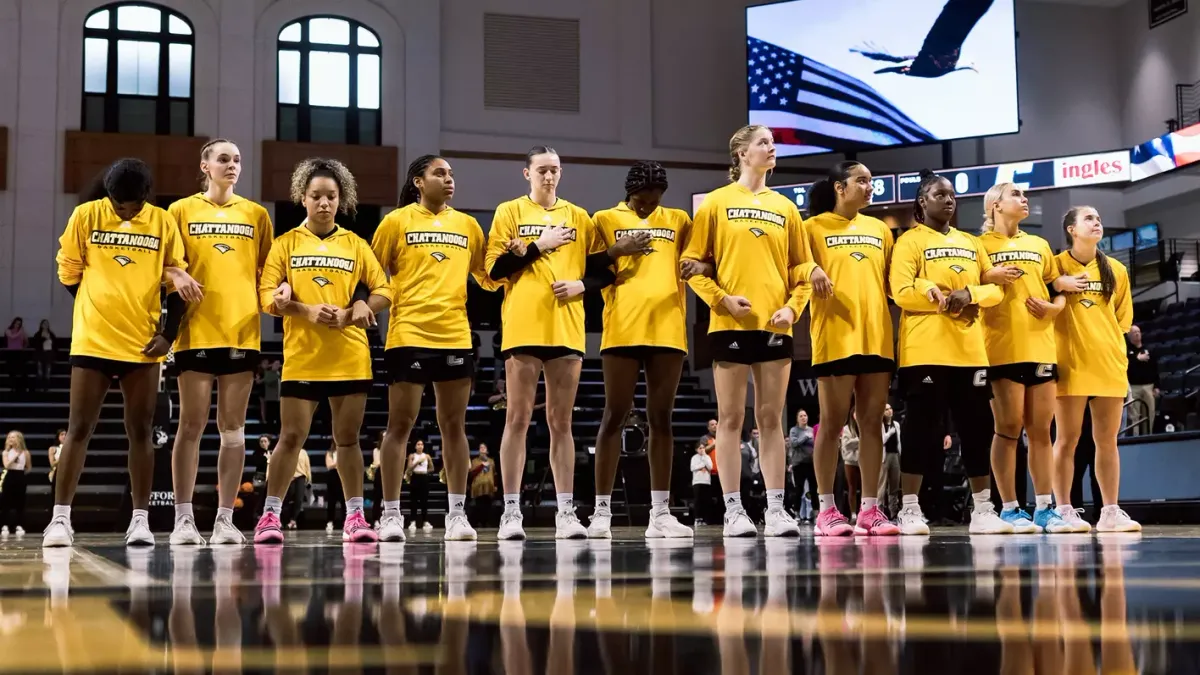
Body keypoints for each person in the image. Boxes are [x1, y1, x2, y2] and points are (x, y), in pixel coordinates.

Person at [45, 158, 200, 547]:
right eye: (118, 205)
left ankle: (140, 521)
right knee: (78, 428)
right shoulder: (86, 216)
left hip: (142, 345)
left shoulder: (163, 222)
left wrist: (168, 335)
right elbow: (68, 272)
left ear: (146, 197)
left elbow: (177, 283)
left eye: (132, 206)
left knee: (141, 432)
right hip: (93, 340)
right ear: (108, 195)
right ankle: (60, 520)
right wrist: (94, 305)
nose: (125, 211)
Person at [682, 124, 817, 538]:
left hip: (775, 325)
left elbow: (802, 269)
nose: (772, 149)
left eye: (773, 144)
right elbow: (691, 266)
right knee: (730, 418)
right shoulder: (716, 202)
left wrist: (792, 309)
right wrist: (721, 300)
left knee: (771, 418)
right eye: (764, 143)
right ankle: (734, 511)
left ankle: (776, 510)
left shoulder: (786, 208)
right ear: (742, 153)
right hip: (730, 323)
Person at [253, 157, 392, 544]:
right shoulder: (285, 244)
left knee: (347, 440)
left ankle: (355, 518)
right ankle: (269, 517)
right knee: (290, 438)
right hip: (303, 357)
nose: (324, 202)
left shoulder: (356, 244)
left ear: (340, 199)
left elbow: (384, 290)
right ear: (303, 197)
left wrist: (357, 308)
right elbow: (265, 296)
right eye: (316, 195)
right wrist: (301, 308)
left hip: (350, 356)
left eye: (331, 196)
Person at [484, 145, 614, 540]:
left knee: (561, 422)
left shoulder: (579, 216)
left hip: (566, 328)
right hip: (523, 327)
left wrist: (580, 285)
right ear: (527, 173)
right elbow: (494, 270)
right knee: (517, 419)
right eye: (541, 170)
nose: (549, 176)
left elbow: (605, 272)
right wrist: (538, 246)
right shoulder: (509, 212)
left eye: (555, 169)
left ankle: (565, 512)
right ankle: (511, 513)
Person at [370, 154, 500, 542]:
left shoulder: (468, 225)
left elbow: (488, 278)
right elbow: (371, 274)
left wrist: (513, 255)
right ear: (418, 182)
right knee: (399, 426)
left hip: (455, 336)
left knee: (454, 427)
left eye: (451, 174)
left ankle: (457, 515)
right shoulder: (396, 222)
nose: (449, 179)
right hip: (408, 335)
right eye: (439, 173)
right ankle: (391, 514)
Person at [888, 169, 1015, 536]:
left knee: (977, 430)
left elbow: (995, 289)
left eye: (952, 196)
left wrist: (970, 294)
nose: (948, 200)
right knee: (922, 431)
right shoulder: (909, 242)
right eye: (939, 195)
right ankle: (909, 508)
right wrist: (938, 295)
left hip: (971, 352)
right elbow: (900, 291)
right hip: (925, 351)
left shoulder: (971, 242)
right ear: (922, 202)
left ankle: (984, 509)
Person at [165, 138, 274, 546]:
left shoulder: (257, 214)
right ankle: (183, 519)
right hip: (194, 331)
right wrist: (175, 273)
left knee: (233, 429)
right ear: (205, 166)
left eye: (237, 160)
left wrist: (279, 292)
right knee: (190, 425)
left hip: (242, 332)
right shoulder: (180, 211)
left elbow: (268, 272)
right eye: (224, 159)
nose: (232, 165)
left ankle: (225, 519)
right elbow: (164, 264)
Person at [587, 161, 699, 539]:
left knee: (661, 418)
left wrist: (697, 265)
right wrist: (616, 249)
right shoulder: (604, 219)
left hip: (668, 330)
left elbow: (700, 258)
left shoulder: (679, 220)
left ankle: (660, 514)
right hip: (621, 328)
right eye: (641, 201)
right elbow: (585, 267)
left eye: (654, 202)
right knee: (614, 416)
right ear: (629, 193)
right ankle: (601, 512)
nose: (647, 207)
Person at [802, 161, 898, 536]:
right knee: (832, 424)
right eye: (862, 180)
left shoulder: (880, 230)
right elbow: (794, 269)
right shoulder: (812, 228)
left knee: (871, 423)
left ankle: (869, 510)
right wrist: (809, 270)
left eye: (871, 180)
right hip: (834, 337)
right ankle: (826, 510)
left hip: (877, 337)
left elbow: (893, 283)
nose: (869, 186)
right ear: (840, 188)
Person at [977, 182, 1072, 534]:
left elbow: (1057, 288)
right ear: (995, 205)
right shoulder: (978, 245)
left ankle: (1045, 507)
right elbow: (969, 284)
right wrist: (988, 275)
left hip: (1041, 346)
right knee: (1007, 430)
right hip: (1001, 349)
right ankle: (1009, 508)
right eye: (1015, 195)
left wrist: (1054, 308)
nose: (1024, 198)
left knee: (1041, 431)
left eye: (1024, 195)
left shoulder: (1039, 244)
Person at [1050, 206, 1140, 532]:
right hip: (1069, 362)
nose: (1096, 222)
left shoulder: (1116, 269)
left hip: (1108, 362)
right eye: (1088, 218)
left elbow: (1123, 320)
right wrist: (1057, 284)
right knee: (1067, 440)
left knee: (1107, 441)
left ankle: (1110, 511)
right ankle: (1063, 509)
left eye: (1099, 218)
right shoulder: (1055, 266)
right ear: (1071, 229)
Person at [1126, 325, 1159, 436]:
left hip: (1148, 386)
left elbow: (1155, 369)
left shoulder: (1149, 350)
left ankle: (1148, 435)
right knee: (1135, 415)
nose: (1137, 334)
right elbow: (1125, 367)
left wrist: (1157, 386)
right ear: (1129, 336)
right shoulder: (1127, 352)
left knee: (1150, 412)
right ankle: (1135, 437)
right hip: (1134, 387)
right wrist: (1137, 359)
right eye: (1134, 332)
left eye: (1138, 332)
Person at [787, 409, 816, 519]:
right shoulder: (794, 430)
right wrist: (806, 437)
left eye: (805, 415)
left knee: (813, 489)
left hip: (810, 463)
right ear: (797, 419)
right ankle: (797, 513)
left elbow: (815, 443)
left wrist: (807, 439)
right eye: (801, 416)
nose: (803, 418)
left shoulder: (811, 430)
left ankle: (816, 513)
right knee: (798, 489)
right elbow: (794, 443)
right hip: (798, 463)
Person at [1, 431, 31, 536]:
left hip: (20, 476)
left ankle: (19, 525)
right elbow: (6, 465)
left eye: (13, 437)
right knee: (6, 501)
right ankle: (4, 525)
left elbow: (29, 467)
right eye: (9, 437)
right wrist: (15, 456)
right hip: (10, 475)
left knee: (20, 501)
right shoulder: (6, 452)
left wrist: (22, 474)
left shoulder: (25, 453)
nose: (10, 439)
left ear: (19, 439)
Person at [405, 439, 434, 532]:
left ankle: (425, 521)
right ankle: (413, 521)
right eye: (418, 444)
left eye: (421, 444)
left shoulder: (427, 456)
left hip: (424, 478)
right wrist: (417, 462)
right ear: (415, 446)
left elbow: (432, 468)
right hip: (415, 477)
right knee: (413, 500)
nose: (420, 446)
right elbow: (409, 468)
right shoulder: (412, 456)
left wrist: (425, 471)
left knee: (424, 501)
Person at [878, 404, 902, 517]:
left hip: (895, 455)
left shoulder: (896, 424)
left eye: (890, 408)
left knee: (894, 485)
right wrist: (889, 433)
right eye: (886, 409)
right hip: (884, 456)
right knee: (882, 485)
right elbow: (881, 441)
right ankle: (879, 510)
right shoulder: (880, 425)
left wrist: (900, 454)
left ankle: (893, 511)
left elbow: (899, 441)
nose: (889, 411)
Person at [839, 412, 861, 521]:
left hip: (863, 461)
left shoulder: (865, 427)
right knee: (852, 488)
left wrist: (855, 442)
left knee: (865, 488)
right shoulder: (847, 428)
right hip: (850, 461)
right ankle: (853, 513)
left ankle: (863, 512)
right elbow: (846, 445)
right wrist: (860, 440)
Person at [468, 442, 497, 526]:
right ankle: (479, 521)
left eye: (484, 448)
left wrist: (495, 485)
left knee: (488, 505)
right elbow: (472, 473)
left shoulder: (491, 461)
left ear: (487, 450)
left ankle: (486, 521)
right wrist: (481, 466)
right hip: (478, 487)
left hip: (489, 486)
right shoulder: (475, 461)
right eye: (481, 448)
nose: (482, 449)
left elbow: (494, 473)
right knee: (479, 505)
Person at [690, 439, 714, 525]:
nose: (702, 449)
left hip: (706, 482)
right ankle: (697, 518)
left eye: (703, 448)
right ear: (696, 449)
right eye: (700, 448)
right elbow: (692, 468)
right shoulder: (694, 458)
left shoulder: (707, 457)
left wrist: (704, 457)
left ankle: (705, 519)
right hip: (697, 482)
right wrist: (702, 466)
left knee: (706, 501)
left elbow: (710, 467)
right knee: (698, 501)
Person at [4, 318, 28, 394]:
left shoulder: (21, 331)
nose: (17, 325)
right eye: (16, 323)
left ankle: (21, 387)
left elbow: (26, 341)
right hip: (11, 353)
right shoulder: (8, 330)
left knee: (21, 371)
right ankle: (12, 387)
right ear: (13, 323)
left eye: (19, 324)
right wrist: (20, 332)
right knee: (12, 371)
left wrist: (23, 347)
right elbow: (12, 337)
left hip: (19, 353)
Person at [32, 320, 56, 391]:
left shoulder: (51, 334)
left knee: (48, 372)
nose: (46, 325)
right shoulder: (38, 334)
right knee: (40, 372)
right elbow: (35, 344)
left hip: (49, 354)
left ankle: (46, 388)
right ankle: (39, 387)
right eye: (44, 324)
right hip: (40, 354)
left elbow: (54, 344)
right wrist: (43, 338)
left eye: (47, 324)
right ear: (41, 325)